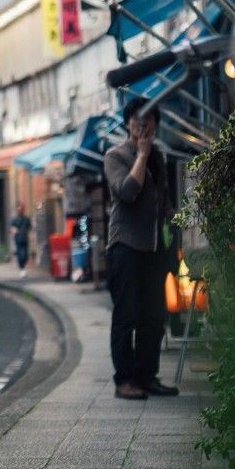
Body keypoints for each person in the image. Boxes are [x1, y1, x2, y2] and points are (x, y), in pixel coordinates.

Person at [103, 97, 179, 401]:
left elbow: (163, 200)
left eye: (150, 119)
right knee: (127, 315)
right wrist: (143, 155)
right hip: (125, 247)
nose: (144, 124)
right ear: (128, 124)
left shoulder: (158, 157)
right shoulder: (116, 156)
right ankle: (125, 380)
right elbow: (128, 192)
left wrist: (176, 225)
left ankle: (147, 377)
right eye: (138, 120)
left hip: (154, 248)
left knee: (153, 314)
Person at [10, 203, 31, 278]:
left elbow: (29, 228)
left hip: (25, 238)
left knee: (26, 255)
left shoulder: (27, 219)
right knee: (20, 254)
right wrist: (14, 231)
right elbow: (12, 228)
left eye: (21, 209)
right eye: (19, 209)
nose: (20, 210)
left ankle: (23, 266)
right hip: (18, 239)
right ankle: (22, 269)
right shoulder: (14, 219)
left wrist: (31, 235)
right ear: (17, 210)